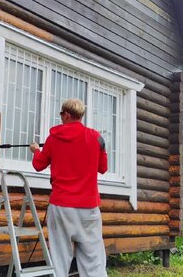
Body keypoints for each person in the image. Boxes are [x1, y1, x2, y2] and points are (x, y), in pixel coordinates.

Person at [29, 98, 108, 277]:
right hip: (89, 208)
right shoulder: (96, 138)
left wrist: (35, 151)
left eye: (61, 114)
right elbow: (103, 168)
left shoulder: (53, 138)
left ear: (66, 114)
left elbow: (39, 165)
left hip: (61, 206)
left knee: (60, 257)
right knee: (93, 260)